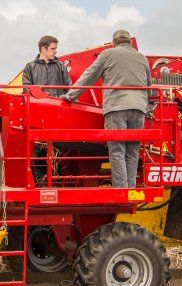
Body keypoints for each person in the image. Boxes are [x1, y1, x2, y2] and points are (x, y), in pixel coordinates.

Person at [63, 29, 150, 188]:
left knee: (117, 151)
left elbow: (89, 76)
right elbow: (148, 86)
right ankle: (131, 189)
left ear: (114, 43)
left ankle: (121, 190)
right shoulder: (142, 58)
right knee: (132, 152)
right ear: (129, 42)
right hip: (139, 109)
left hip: (117, 107)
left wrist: (70, 96)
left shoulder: (107, 54)